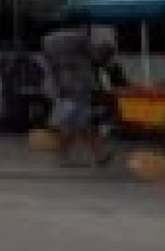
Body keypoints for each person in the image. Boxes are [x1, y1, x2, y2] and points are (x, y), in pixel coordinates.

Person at [42, 28, 113, 167]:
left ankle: (97, 156)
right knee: (76, 125)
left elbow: (53, 71)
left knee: (81, 125)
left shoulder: (56, 52)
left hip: (68, 90)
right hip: (78, 91)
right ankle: (71, 157)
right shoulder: (80, 47)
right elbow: (97, 58)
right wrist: (104, 54)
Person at [0, 44, 51, 133]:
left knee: (46, 102)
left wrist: (34, 86)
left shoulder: (32, 64)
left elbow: (40, 75)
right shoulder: (7, 64)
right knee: (18, 108)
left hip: (27, 94)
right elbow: (3, 75)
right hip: (14, 96)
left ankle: (39, 122)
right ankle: (20, 123)